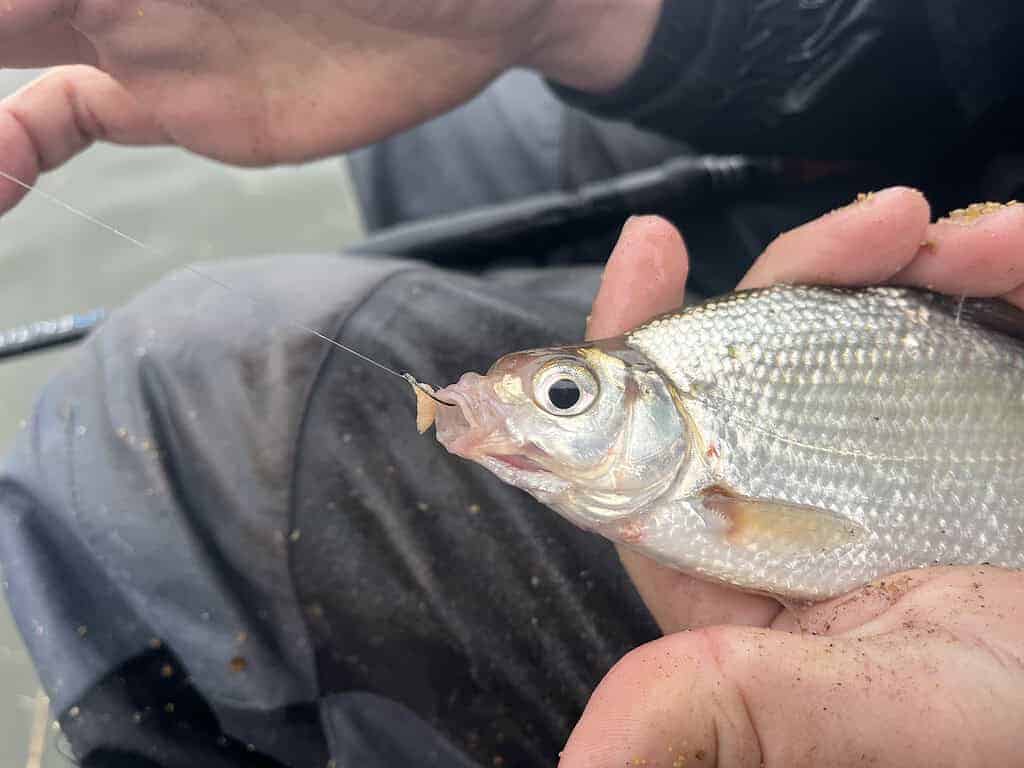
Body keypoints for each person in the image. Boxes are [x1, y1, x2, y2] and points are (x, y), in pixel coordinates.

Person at [0, 2, 1022, 766]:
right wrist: (570, 15)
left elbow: (795, 534)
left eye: (565, 399)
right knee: (449, 132)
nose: (507, 406)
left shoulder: (709, 488)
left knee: (178, 392)